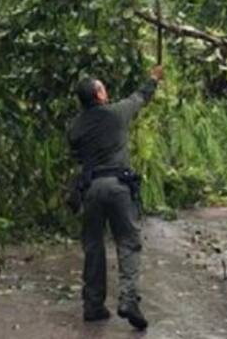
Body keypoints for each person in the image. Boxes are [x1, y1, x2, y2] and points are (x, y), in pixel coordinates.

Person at [67, 64, 163, 330]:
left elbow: (77, 156)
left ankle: (93, 305)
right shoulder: (116, 114)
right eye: (102, 87)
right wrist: (153, 78)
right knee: (128, 242)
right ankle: (128, 299)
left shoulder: (75, 127)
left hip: (91, 189)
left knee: (93, 246)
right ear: (98, 94)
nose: (105, 90)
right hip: (119, 186)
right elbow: (139, 97)